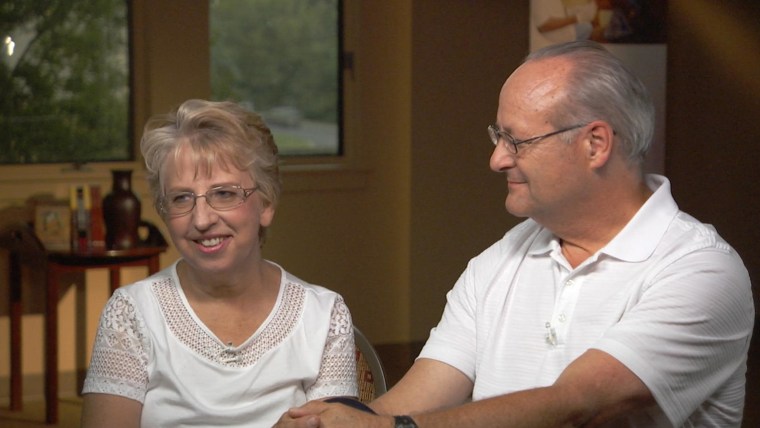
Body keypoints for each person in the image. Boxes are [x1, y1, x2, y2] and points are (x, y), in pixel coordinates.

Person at [276, 40, 754, 427]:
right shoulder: (499, 261)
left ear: (595, 144)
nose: (497, 159)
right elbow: (416, 401)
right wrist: (334, 421)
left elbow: (577, 404)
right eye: (497, 136)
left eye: (517, 140)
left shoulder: (701, 271)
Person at [81, 99, 358, 427]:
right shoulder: (131, 313)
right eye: (181, 198)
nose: (201, 219)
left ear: (266, 204)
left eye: (224, 194)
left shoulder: (324, 316)